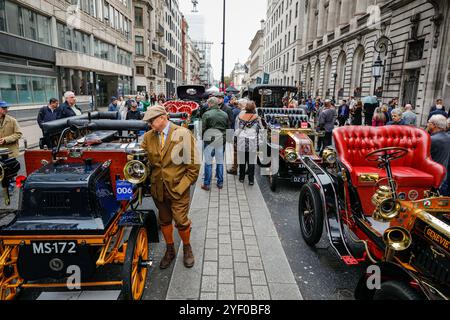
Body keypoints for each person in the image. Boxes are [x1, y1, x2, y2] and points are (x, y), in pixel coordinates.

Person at [141, 106, 200, 269]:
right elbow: (143, 160)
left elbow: (194, 166)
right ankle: (170, 250)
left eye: (151, 121)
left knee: (181, 221)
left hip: (178, 189)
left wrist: (182, 187)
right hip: (158, 189)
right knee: (164, 220)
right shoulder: (147, 137)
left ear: (163, 117)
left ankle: (187, 248)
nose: (149, 124)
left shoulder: (183, 133)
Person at [201, 97, 228, 191]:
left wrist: (202, 138)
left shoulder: (207, 114)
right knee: (220, 162)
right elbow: (227, 127)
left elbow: (203, 128)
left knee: (208, 162)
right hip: (221, 140)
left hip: (209, 141)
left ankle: (206, 184)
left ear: (210, 104)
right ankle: (220, 182)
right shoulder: (224, 114)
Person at [235, 101, 264, 186]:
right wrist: (260, 143)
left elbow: (237, 130)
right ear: (254, 108)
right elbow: (261, 131)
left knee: (242, 161)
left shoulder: (240, 117)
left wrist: (235, 140)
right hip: (252, 142)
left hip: (242, 141)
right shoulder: (257, 118)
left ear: (246, 107)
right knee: (251, 162)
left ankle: (241, 178)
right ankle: (251, 180)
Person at [428, 115, 450, 195]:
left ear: (434, 125)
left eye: (429, 123)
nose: (427, 124)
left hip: (432, 179)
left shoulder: (432, 140)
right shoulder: (448, 138)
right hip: (444, 177)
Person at [228, 99, 248, 175]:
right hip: (249, 137)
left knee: (236, 153)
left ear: (241, 105)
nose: (238, 105)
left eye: (239, 104)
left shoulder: (238, 113)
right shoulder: (252, 113)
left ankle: (234, 169)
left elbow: (235, 126)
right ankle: (246, 170)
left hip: (239, 136)